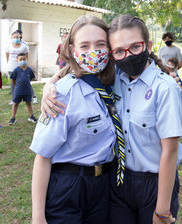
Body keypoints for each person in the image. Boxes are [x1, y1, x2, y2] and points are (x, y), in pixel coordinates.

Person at [42, 15, 182, 224]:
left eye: (135, 47)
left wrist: (162, 210)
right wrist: (51, 83)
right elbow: (78, 70)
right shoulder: (117, 75)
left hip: (155, 183)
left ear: (148, 45)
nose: (128, 56)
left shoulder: (165, 88)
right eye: (119, 51)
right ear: (112, 55)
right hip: (118, 180)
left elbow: (170, 151)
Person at [30, 15, 116, 224]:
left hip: (104, 184)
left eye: (100, 44)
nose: (93, 52)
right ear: (72, 49)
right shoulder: (61, 94)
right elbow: (43, 157)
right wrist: (38, 217)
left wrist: (52, 79)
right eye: (84, 46)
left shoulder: (112, 82)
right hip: (70, 185)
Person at [8, 53, 38, 125]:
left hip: (27, 90)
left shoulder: (29, 70)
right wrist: (17, 85)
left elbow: (30, 78)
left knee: (28, 103)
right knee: (15, 103)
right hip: (18, 91)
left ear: (26, 59)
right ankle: (13, 118)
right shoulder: (16, 70)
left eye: (24, 59)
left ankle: (31, 116)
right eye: (20, 59)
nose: (22, 61)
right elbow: (12, 80)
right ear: (17, 60)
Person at [6, 31, 29, 105]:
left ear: (20, 38)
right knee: (13, 83)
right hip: (11, 67)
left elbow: (26, 56)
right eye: (14, 37)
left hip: (21, 67)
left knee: (21, 83)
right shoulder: (9, 46)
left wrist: (25, 65)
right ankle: (14, 99)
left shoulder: (24, 47)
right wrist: (9, 63)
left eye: (17, 37)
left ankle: (24, 97)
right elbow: (7, 56)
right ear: (11, 38)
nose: (16, 38)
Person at [15, 29, 38, 104]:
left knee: (27, 83)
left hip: (23, 67)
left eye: (19, 35)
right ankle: (15, 98)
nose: (17, 37)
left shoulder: (24, 44)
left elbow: (27, 54)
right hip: (16, 66)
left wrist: (25, 63)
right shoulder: (11, 44)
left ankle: (33, 97)